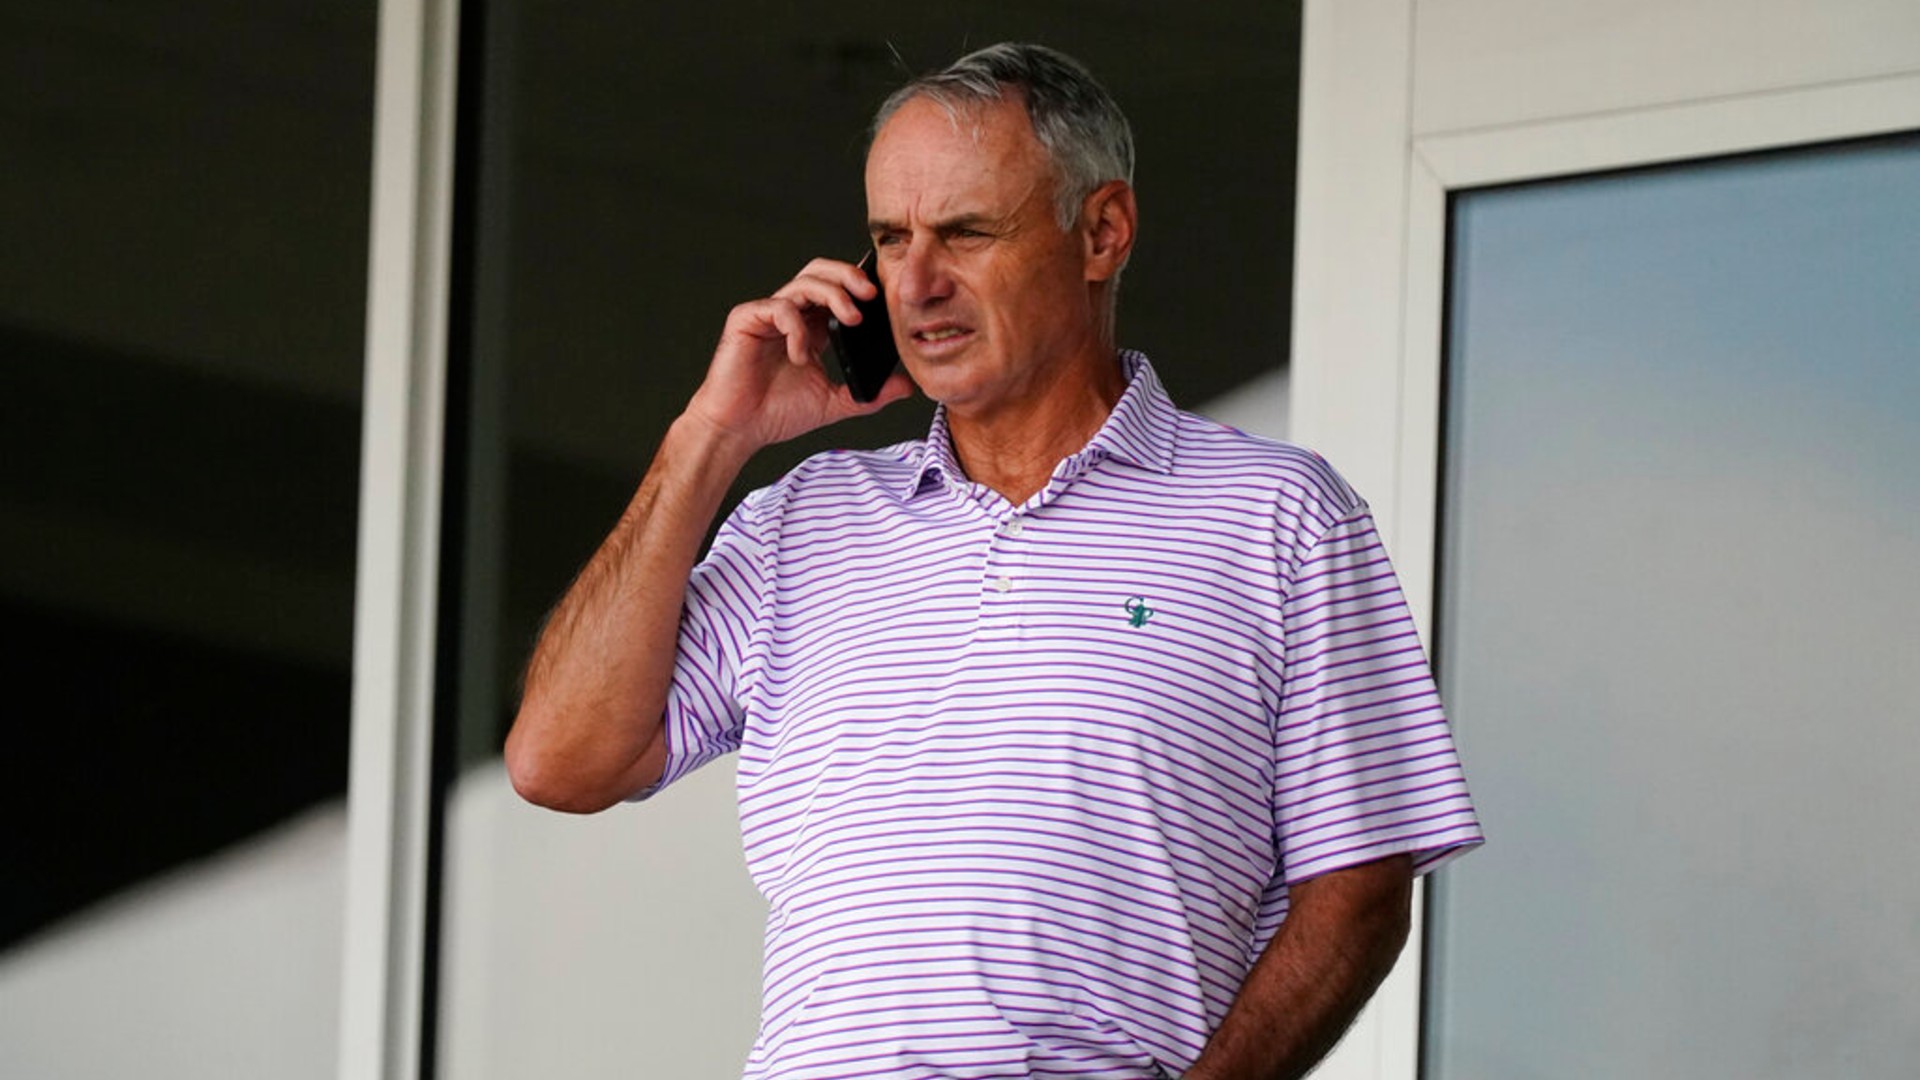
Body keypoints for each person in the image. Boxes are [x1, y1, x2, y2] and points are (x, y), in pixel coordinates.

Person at [507, 42, 1481, 1080]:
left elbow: (1362, 889)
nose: (915, 283)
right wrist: (710, 438)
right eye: (890, 238)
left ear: (1102, 232)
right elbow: (560, 762)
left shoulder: (1279, 518)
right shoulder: (801, 521)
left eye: (966, 233)